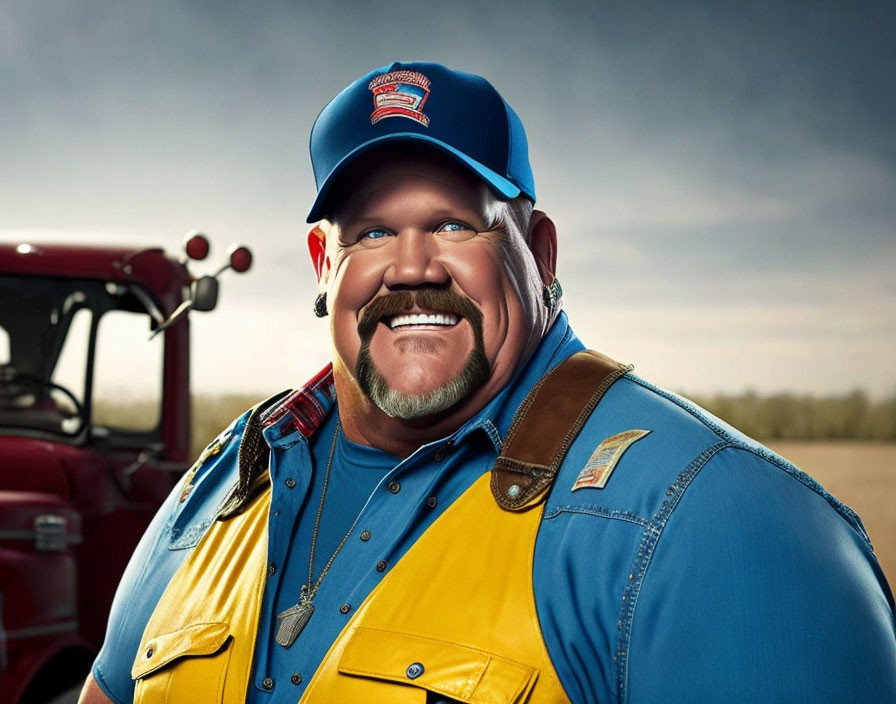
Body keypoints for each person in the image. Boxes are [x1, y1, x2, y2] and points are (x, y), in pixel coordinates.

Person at [80, 61, 896, 704]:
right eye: (370, 231)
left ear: (538, 251)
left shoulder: (716, 522)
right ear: (325, 266)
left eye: (452, 223)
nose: (410, 266)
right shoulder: (227, 481)